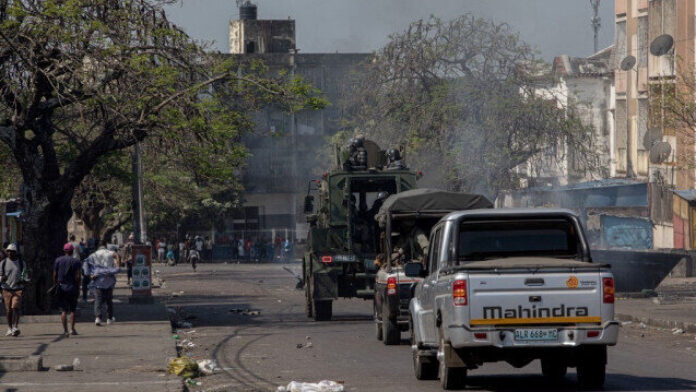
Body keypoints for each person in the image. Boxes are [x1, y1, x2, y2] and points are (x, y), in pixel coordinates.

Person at [84, 241, 120, 326]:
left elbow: (86, 264)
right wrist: (117, 266)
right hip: (109, 280)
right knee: (109, 300)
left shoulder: (93, 255)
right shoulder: (109, 252)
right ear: (105, 247)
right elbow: (116, 255)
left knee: (98, 300)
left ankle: (98, 318)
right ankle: (109, 318)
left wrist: (89, 275)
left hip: (98, 280)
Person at [0, 243, 29, 336]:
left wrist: (24, 280)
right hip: (6, 289)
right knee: (8, 310)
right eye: (8, 251)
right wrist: (1, 278)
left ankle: (15, 326)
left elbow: (24, 275)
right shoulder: (3, 263)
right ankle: (10, 328)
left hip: (18, 289)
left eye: (12, 252)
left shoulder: (21, 263)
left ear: (15, 252)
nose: (10, 253)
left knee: (15, 308)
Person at [54, 243, 81, 337]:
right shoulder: (76, 261)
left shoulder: (58, 260)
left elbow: (55, 274)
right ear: (72, 251)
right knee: (73, 310)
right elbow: (78, 276)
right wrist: (78, 287)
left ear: (64, 251)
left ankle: (65, 330)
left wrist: (55, 284)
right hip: (73, 287)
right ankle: (72, 329)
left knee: (63, 310)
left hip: (62, 287)